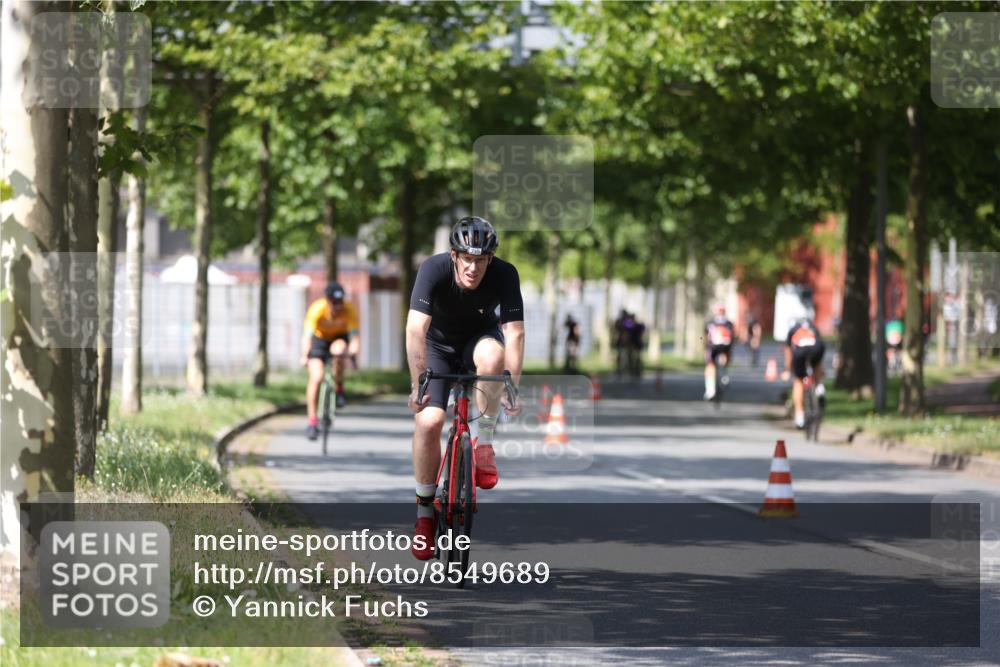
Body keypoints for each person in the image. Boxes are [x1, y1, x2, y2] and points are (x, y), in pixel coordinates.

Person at [405, 216, 524, 560]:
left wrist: (512, 386)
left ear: (490, 259)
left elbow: (515, 332)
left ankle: (484, 442)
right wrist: (417, 383)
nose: (473, 268)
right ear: (454, 255)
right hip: (437, 347)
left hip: (479, 339)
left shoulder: (505, 274)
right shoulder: (433, 269)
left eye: (481, 260)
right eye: (467, 259)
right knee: (429, 421)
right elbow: (415, 329)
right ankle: (425, 515)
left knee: (494, 355)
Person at [300, 282, 361, 440]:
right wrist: (304, 355)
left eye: (340, 302)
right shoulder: (317, 309)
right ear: (327, 300)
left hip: (338, 338)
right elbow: (307, 336)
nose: (338, 306)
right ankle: (312, 421)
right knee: (316, 377)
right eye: (334, 302)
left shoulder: (349, 309)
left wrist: (353, 353)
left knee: (339, 351)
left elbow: (354, 337)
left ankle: (339, 388)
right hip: (319, 340)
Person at [781, 316, 826, 429]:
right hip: (817, 348)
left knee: (799, 381)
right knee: (816, 364)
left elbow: (788, 352)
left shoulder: (792, 330)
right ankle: (819, 388)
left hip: (800, 351)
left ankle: (799, 416)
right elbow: (819, 348)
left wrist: (787, 369)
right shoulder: (813, 327)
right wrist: (821, 370)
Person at [703, 304, 735, 400]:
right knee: (710, 366)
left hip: (724, 347)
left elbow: (732, 337)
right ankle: (710, 390)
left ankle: (724, 375)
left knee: (723, 359)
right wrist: (705, 347)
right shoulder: (710, 323)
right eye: (718, 311)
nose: (720, 313)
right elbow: (705, 337)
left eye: (721, 311)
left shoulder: (729, 324)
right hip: (712, 347)